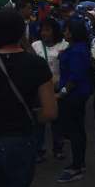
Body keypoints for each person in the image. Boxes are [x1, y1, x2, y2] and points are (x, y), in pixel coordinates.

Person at [0, 8, 57, 187]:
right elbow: (50, 112)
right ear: (22, 32)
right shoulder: (36, 65)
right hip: (20, 145)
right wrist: (27, 114)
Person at [56, 19, 92, 183]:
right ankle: (80, 162)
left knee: (74, 130)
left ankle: (76, 167)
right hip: (77, 94)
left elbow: (75, 77)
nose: (64, 33)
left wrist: (62, 93)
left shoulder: (77, 51)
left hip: (74, 96)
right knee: (77, 129)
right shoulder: (77, 48)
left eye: (67, 30)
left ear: (73, 32)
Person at [32, 18, 68, 161]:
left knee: (57, 121)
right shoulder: (35, 46)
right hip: (38, 90)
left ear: (55, 31)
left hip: (57, 89)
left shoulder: (64, 46)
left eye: (47, 29)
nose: (44, 33)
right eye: (42, 29)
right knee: (39, 121)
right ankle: (39, 150)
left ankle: (58, 149)